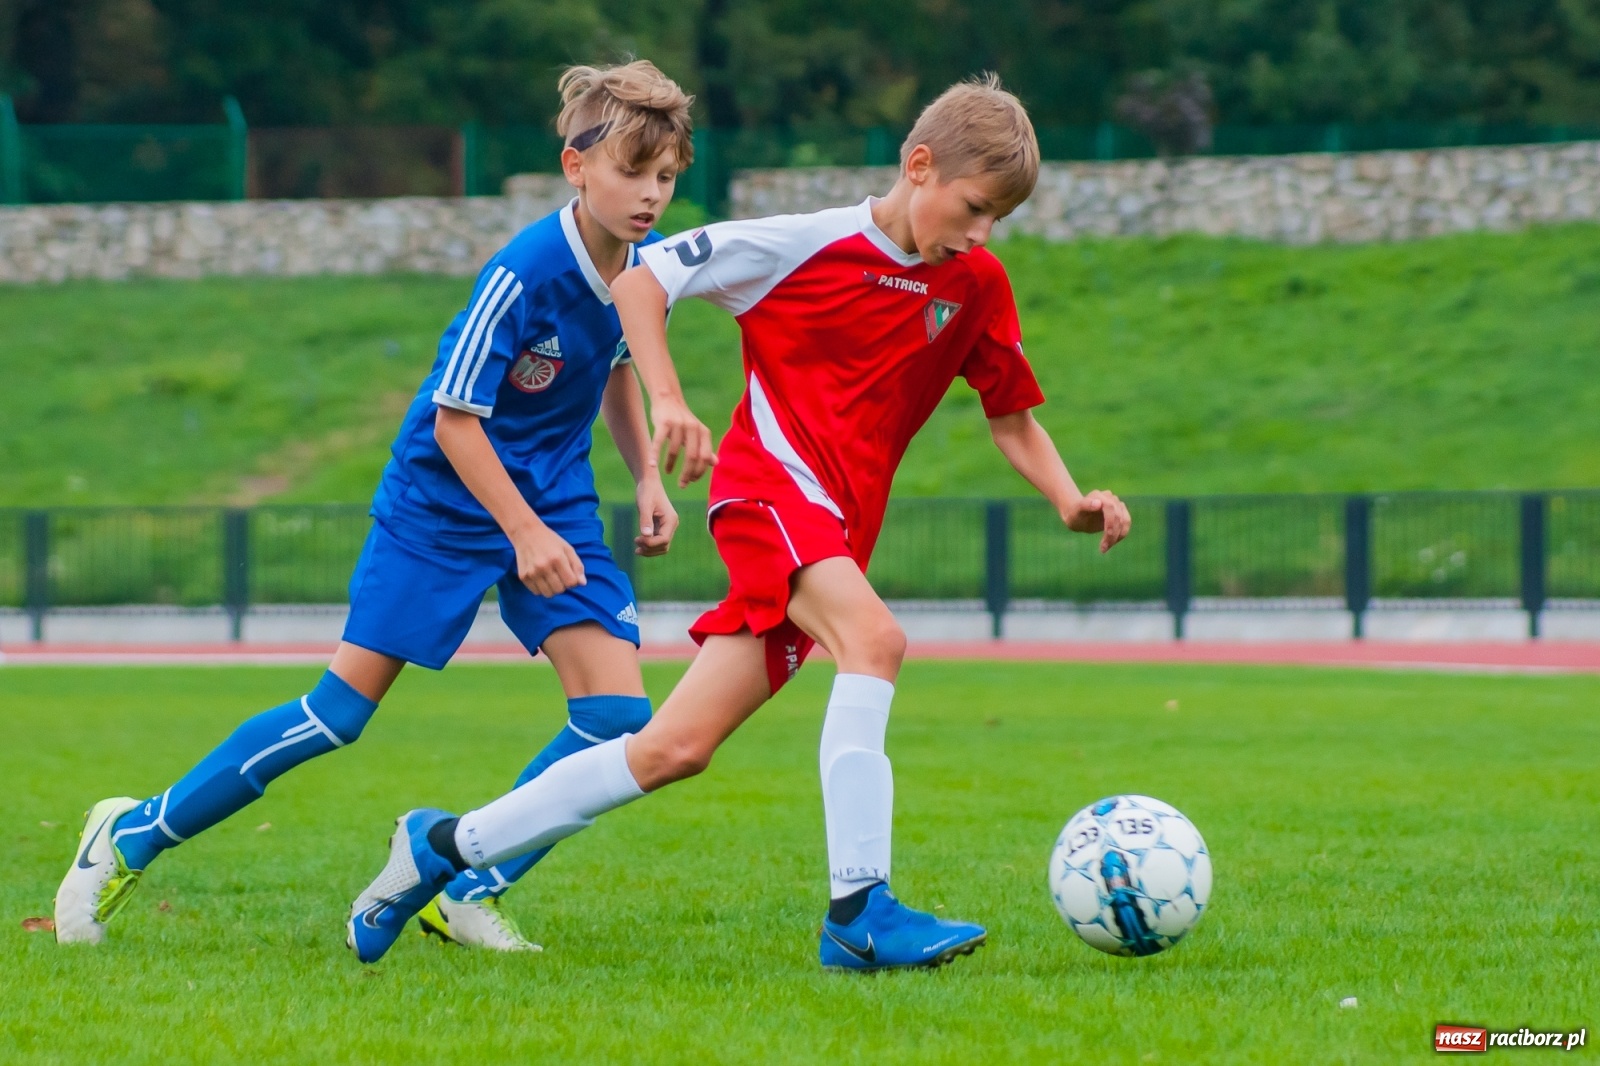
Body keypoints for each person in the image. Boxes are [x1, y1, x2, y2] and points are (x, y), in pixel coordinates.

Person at [346, 74, 1132, 971]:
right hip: (768, 496)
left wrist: (1068, 499)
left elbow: (1010, 414)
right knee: (875, 640)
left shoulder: (976, 283)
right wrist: (670, 400)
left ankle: (442, 847)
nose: (983, 232)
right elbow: (644, 281)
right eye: (977, 207)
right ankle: (859, 911)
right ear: (920, 166)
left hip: (836, 527)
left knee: (672, 749)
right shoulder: (801, 243)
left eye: (1001, 219)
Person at [55, 60, 698, 952]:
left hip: (552, 503)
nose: (651, 195)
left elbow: (620, 370)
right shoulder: (521, 273)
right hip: (442, 505)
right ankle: (130, 834)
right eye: (633, 172)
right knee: (337, 715)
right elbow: (455, 422)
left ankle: (464, 883)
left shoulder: (640, 269)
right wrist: (520, 533)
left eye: (666, 177)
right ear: (574, 166)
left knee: (617, 721)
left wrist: (647, 481)